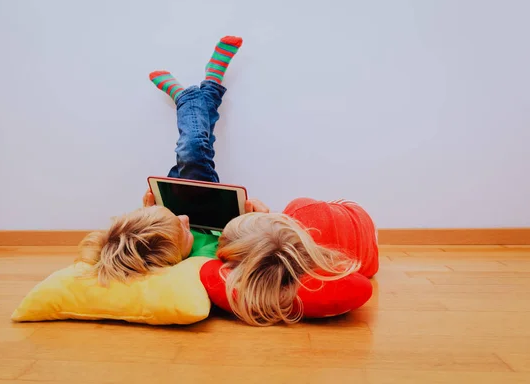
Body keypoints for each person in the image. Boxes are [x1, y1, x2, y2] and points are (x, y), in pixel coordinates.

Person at [79, 36, 362, 327]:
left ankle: (193, 96)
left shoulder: (159, 240)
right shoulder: (199, 263)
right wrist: (260, 220)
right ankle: (202, 92)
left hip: (178, 202)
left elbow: (138, 236)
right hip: (225, 219)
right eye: (182, 228)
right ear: (173, 257)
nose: (185, 219)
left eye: (178, 220)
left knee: (193, 156)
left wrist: (148, 209)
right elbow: (251, 252)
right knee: (193, 153)